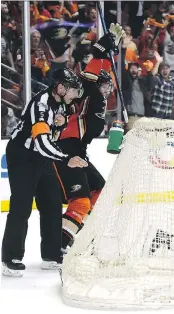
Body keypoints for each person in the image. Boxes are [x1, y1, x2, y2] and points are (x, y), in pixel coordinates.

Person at [2, 68, 87, 277]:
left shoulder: (61, 103)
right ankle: (10, 257)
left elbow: (56, 129)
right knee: (21, 205)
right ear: (60, 87)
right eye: (72, 90)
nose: (74, 94)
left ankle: (51, 254)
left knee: (52, 202)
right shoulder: (41, 106)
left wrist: (63, 122)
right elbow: (41, 143)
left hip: (40, 157)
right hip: (22, 156)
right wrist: (66, 158)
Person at [52, 23, 124, 253]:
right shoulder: (83, 88)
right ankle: (59, 245)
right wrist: (108, 42)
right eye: (105, 81)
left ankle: (81, 236)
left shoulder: (100, 100)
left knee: (101, 193)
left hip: (79, 151)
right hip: (64, 150)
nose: (108, 86)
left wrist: (112, 51)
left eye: (109, 82)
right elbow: (96, 61)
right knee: (81, 201)